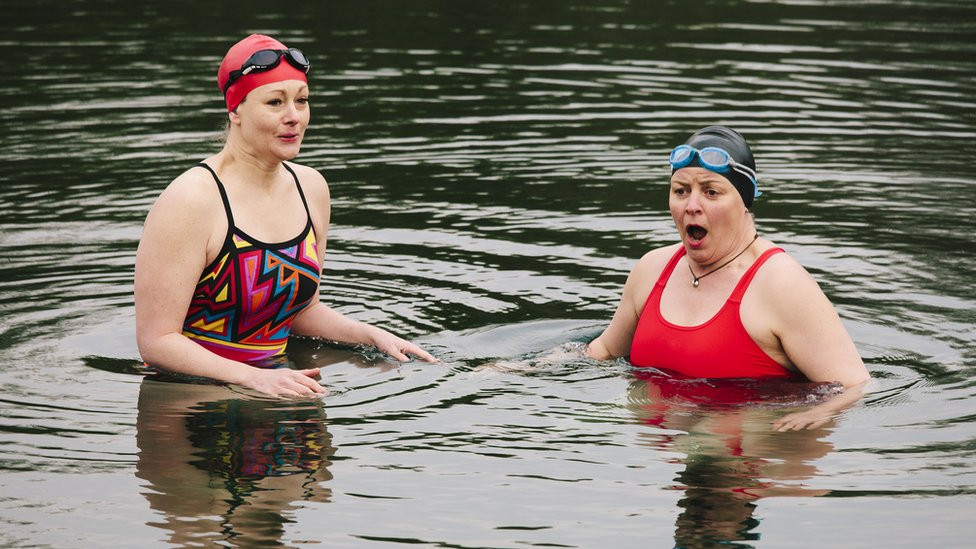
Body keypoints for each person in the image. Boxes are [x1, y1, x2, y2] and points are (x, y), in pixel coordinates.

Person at [135, 34, 435, 399]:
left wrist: (370, 335)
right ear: (236, 111)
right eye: (275, 102)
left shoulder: (311, 188)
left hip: (282, 383)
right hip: (193, 401)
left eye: (302, 100)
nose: (293, 116)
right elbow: (157, 342)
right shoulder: (191, 200)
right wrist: (252, 378)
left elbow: (302, 311)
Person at [586, 125, 869, 430]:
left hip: (750, 450)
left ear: (744, 202)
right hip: (654, 451)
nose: (692, 206)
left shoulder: (782, 284)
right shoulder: (651, 269)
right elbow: (606, 351)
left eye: (711, 192)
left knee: (710, 438)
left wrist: (815, 414)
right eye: (681, 191)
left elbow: (856, 387)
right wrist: (549, 367)